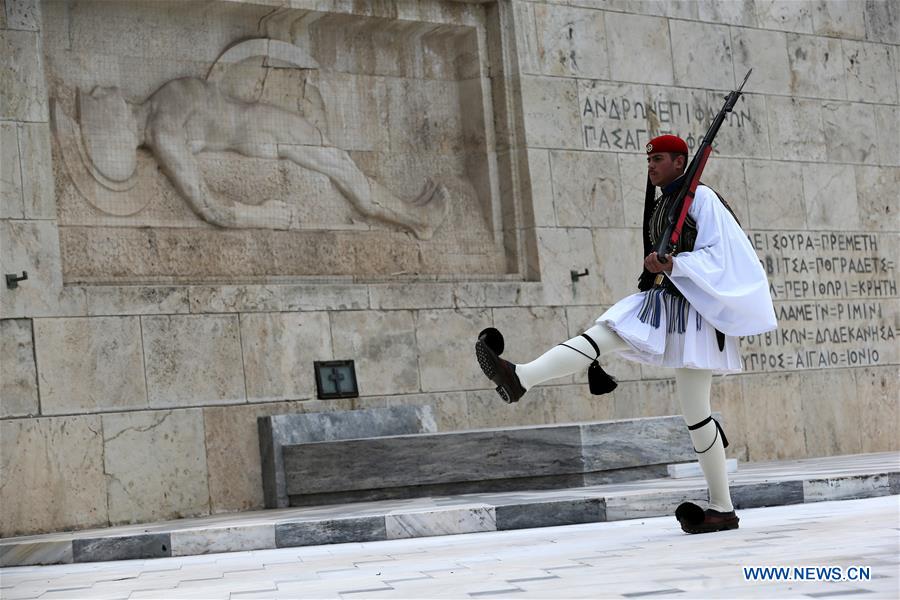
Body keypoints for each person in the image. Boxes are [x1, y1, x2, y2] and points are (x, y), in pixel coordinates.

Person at [475, 134, 777, 534]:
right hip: (663, 300)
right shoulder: (665, 202)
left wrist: (674, 264)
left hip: (695, 310)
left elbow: (726, 255)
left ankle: (722, 508)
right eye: (649, 160)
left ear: (680, 163)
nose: (651, 166)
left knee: (694, 411)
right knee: (606, 332)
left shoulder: (702, 199)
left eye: (660, 160)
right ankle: (521, 377)